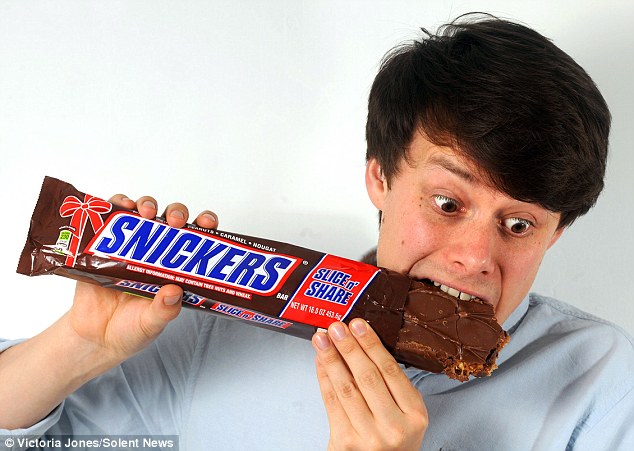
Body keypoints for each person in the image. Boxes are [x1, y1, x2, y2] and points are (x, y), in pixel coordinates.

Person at [1, 13, 633, 450]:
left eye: (519, 224)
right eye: (446, 203)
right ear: (380, 178)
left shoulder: (603, 383)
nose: (475, 257)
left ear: (555, 234)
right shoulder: (219, 326)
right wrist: (79, 344)